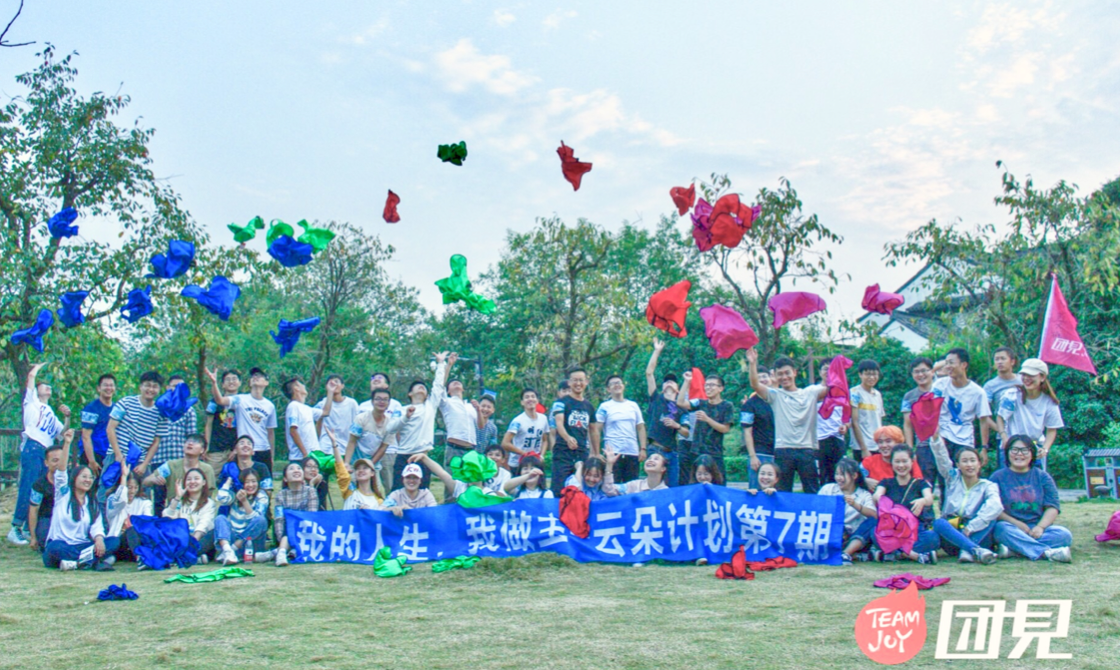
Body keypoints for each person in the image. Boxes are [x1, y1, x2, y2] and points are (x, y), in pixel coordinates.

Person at [747, 349, 827, 494]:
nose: (784, 377)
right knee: (782, 492)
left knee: (812, 491)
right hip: (783, 449)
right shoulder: (775, 395)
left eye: (787, 373)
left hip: (807, 448)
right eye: (780, 374)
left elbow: (833, 388)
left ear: (794, 372)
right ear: (775, 376)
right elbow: (755, 385)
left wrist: (833, 369)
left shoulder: (810, 392)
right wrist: (752, 363)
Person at [11, 362, 71, 546]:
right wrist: (38, 367)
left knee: (38, 488)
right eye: (44, 386)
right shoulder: (32, 403)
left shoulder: (50, 412)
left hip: (45, 452)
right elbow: (30, 377)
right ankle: (16, 527)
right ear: (37, 391)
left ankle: (28, 528)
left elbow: (62, 433)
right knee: (28, 485)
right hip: (33, 447)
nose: (48, 387)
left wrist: (67, 417)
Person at [989, 435, 1072, 562]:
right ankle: (1047, 553)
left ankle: (1015, 550)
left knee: (1064, 535)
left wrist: (1040, 527)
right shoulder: (997, 477)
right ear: (1007, 453)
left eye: (1024, 450)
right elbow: (994, 509)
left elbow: (1052, 507)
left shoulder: (1042, 476)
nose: (1019, 454)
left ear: (1032, 453)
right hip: (1011, 527)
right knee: (1001, 529)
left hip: (1037, 529)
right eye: (1014, 450)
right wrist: (1018, 524)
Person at [43, 440, 121, 571]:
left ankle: (76, 563)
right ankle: (91, 561)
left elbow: (97, 527)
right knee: (54, 548)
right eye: (84, 477)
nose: (88, 480)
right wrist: (67, 443)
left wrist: (99, 540)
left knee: (113, 541)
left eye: (90, 477)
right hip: (63, 546)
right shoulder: (63, 494)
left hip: (83, 545)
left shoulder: (92, 502)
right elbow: (61, 473)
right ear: (74, 478)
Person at [929, 435, 1002, 564]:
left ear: (979, 464)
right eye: (965, 461)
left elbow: (995, 506)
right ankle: (974, 550)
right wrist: (936, 440)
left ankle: (968, 550)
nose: (969, 465)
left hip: (975, 532)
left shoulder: (988, 486)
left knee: (992, 518)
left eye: (973, 460)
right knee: (939, 523)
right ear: (958, 465)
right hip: (953, 531)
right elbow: (942, 460)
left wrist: (971, 527)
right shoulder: (953, 478)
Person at [385, 352, 449, 490]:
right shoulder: (402, 410)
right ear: (410, 393)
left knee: (422, 493)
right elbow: (390, 428)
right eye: (417, 385)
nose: (421, 387)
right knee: (398, 492)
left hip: (422, 456)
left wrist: (441, 364)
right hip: (403, 456)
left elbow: (438, 385)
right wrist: (406, 417)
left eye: (424, 387)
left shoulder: (430, 406)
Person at [872, 446, 938, 564]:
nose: (901, 465)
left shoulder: (920, 483)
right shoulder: (886, 482)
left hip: (915, 530)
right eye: (897, 462)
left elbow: (929, 498)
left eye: (904, 461)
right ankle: (913, 555)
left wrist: (922, 501)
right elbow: (877, 495)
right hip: (893, 530)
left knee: (931, 538)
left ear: (912, 461)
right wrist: (883, 502)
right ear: (892, 463)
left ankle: (894, 554)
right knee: (874, 533)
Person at [996, 358, 1063, 471]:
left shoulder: (1049, 401)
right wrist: (1004, 437)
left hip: (1034, 447)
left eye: (1031, 375)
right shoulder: (1012, 395)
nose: (1026, 379)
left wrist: (1045, 449)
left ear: (1042, 377)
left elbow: (1052, 429)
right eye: (1024, 375)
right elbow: (1000, 417)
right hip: (1011, 447)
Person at [207, 366, 278, 470]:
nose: (255, 377)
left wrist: (272, 455)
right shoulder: (240, 399)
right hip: (245, 449)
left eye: (259, 375)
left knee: (265, 479)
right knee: (245, 478)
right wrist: (214, 383)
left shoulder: (270, 405)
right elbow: (220, 401)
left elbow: (270, 432)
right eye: (253, 376)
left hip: (264, 449)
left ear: (266, 382)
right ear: (249, 382)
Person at [932, 348, 992, 466]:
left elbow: (983, 420)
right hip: (943, 437)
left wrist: (984, 448)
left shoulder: (978, 392)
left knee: (965, 473)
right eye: (946, 363)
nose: (948, 366)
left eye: (951, 363)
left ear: (964, 365)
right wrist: (936, 435)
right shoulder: (939, 385)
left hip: (965, 440)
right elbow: (932, 410)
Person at [106, 370, 168, 479]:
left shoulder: (161, 412)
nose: (150, 389)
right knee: (107, 486)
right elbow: (110, 428)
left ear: (159, 389)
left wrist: (144, 464)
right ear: (140, 387)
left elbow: (156, 442)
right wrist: (117, 454)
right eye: (147, 385)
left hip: (140, 461)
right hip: (117, 456)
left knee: (143, 488)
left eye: (155, 387)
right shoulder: (125, 402)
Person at [674, 371, 733, 483]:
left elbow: (725, 428)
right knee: (696, 483)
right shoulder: (700, 403)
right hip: (697, 452)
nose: (708, 388)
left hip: (715, 452)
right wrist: (686, 382)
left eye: (712, 385)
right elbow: (680, 402)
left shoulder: (727, 406)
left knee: (718, 483)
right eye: (706, 385)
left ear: (720, 388)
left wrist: (707, 419)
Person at [550, 367, 599, 497]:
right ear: (569, 382)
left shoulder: (589, 406)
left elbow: (593, 430)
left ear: (586, 382)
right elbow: (559, 423)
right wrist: (567, 438)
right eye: (575, 380)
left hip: (582, 452)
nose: (578, 383)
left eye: (581, 380)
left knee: (581, 490)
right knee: (559, 490)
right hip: (563, 452)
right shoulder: (560, 403)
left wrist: (596, 453)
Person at [818, 458, 877, 563]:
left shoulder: (864, 494)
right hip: (831, 531)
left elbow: (874, 515)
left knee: (873, 522)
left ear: (854, 476)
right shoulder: (828, 489)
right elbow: (815, 508)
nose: (838, 478)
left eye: (842, 474)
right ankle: (849, 554)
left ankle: (846, 553)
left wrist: (855, 505)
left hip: (854, 535)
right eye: (837, 474)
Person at [645, 340, 687, 487]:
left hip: (671, 452)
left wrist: (676, 425)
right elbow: (649, 373)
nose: (669, 382)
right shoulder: (656, 399)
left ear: (678, 388)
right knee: (652, 486)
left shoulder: (682, 407)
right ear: (662, 388)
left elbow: (686, 432)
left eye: (673, 382)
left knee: (673, 488)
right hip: (654, 449)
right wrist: (657, 351)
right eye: (666, 381)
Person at [357, 372, 404, 494]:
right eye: (373, 378)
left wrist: (400, 449)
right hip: (366, 452)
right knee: (368, 486)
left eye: (379, 378)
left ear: (387, 385)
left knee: (390, 485)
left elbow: (397, 429)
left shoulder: (395, 404)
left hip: (388, 451)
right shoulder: (362, 406)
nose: (375, 379)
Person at [214, 468, 272, 565]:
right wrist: (229, 479)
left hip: (251, 542)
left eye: (253, 481)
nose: (251, 485)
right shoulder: (235, 493)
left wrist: (244, 501)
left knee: (261, 520)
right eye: (247, 482)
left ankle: (232, 550)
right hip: (233, 537)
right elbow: (221, 498)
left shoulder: (262, 496)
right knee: (220, 518)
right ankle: (228, 551)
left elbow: (256, 520)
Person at [596, 375, 647, 484]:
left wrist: (643, 448)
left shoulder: (633, 405)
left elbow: (640, 427)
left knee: (632, 486)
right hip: (613, 453)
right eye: (613, 384)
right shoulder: (604, 407)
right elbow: (596, 429)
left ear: (623, 386)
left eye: (619, 382)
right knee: (612, 485)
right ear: (608, 389)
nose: (617, 385)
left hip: (632, 452)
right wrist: (596, 452)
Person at [901, 357, 939, 496]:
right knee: (925, 484)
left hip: (944, 443)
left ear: (932, 372)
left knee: (948, 483)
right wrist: (910, 449)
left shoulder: (942, 390)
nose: (921, 375)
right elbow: (907, 424)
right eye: (916, 372)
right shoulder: (909, 397)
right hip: (923, 446)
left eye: (924, 371)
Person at [142, 433, 217, 504]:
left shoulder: (207, 469)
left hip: (198, 507)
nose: (190, 443)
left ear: (202, 450)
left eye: (196, 442)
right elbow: (145, 481)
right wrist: (153, 479)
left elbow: (209, 493)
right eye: (188, 441)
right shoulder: (171, 465)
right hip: (174, 507)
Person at [162, 467, 217, 561]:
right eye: (189, 479)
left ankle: (185, 555)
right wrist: (177, 497)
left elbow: (203, 525)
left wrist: (191, 544)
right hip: (181, 540)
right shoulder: (179, 502)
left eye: (196, 478)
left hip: (199, 540)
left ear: (203, 482)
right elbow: (166, 517)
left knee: (214, 533)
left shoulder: (209, 503)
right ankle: (193, 557)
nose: (192, 482)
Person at [153, 374, 199, 482]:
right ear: (168, 388)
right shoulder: (158, 407)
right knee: (159, 489)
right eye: (174, 386)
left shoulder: (188, 410)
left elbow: (192, 437)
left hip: (180, 459)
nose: (178, 389)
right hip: (158, 458)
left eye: (180, 386)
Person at [273, 461, 320, 567]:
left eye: (299, 468)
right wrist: (281, 538)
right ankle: (283, 552)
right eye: (291, 469)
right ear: (285, 478)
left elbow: (311, 516)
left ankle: (279, 551)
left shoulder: (310, 491)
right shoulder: (281, 495)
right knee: (289, 521)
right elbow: (278, 519)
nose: (296, 471)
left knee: (295, 521)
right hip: (285, 532)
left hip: (305, 530)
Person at [346, 388, 397, 484]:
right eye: (378, 399)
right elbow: (352, 441)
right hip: (355, 462)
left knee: (376, 490)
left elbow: (383, 448)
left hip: (374, 464)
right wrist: (347, 463)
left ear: (389, 403)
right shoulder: (361, 418)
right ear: (372, 401)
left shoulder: (391, 424)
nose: (381, 402)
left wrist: (370, 465)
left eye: (385, 399)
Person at [983, 347, 1023, 468]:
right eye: (996, 359)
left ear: (1012, 361)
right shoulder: (990, 386)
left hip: (1024, 432)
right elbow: (983, 414)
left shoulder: (1023, 381)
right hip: (1003, 438)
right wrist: (1000, 430)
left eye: (1003, 358)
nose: (999, 362)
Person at [327, 429, 384, 510]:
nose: (361, 470)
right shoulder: (350, 491)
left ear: (372, 473)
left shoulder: (378, 501)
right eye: (357, 468)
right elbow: (341, 469)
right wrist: (334, 443)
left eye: (365, 468)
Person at [104, 469, 153, 564]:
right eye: (129, 487)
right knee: (131, 530)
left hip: (137, 543)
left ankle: (144, 556)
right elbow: (121, 501)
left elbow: (147, 522)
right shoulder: (112, 500)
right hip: (119, 543)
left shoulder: (144, 502)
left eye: (135, 487)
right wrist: (124, 477)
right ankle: (141, 559)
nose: (132, 491)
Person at [282, 377, 336, 461]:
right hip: (300, 457)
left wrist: (330, 392)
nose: (304, 386)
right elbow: (293, 430)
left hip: (313, 455)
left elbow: (326, 412)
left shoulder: (308, 409)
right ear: (296, 388)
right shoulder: (293, 406)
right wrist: (305, 454)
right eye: (301, 384)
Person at [741, 363, 777, 490]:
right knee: (756, 491)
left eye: (764, 376)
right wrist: (752, 456)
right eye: (758, 377)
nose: (762, 380)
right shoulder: (749, 404)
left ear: (770, 378)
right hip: (759, 453)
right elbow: (747, 431)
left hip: (779, 452)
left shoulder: (778, 399)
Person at [439, 353, 479, 464]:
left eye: (458, 382)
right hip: (454, 448)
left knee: (472, 476)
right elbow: (439, 385)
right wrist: (449, 365)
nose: (456, 382)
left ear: (463, 389)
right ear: (448, 391)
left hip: (471, 450)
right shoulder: (446, 402)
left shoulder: (470, 406)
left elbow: (480, 425)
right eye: (452, 383)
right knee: (452, 475)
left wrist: (479, 410)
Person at [816, 360, 849, 490]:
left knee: (840, 475)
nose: (828, 372)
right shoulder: (813, 391)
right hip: (819, 440)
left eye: (832, 369)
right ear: (820, 372)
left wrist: (845, 426)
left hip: (837, 439)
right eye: (825, 369)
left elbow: (847, 417)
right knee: (822, 477)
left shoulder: (842, 391)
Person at [28, 444, 67, 551]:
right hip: (47, 518)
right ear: (46, 463)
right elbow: (33, 510)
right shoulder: (39, 485)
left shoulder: (72, 480)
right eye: (55, 460)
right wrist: (33, 537)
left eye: (61, 460)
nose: (58, 463)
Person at [862, 426, 925, 490]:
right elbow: (857, 477)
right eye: (880, 442)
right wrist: (865, 480)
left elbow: (919, 483)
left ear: (898, 443)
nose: (884, 445)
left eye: (888, 441)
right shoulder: (869, 461)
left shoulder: (907, 461)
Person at [78, 373, 116, 479]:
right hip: (93, 454)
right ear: (99, 388)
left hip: (109, 455)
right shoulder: (91, 409)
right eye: (105, 385)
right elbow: (86, 436)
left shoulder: (116, 408)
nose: (108, 388)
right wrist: (92, 461)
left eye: (111, 385)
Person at [503, 388, 551, 471]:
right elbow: (505, 443)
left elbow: (545, 440)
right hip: (518, 463)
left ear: (537, 400)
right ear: (522, 402)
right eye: (527, 397)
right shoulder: (517, 421)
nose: (530, 399)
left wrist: (542, 456)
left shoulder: (543, 419)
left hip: (535, 462)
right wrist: (525, 454)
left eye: (533, 396)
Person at [204, 369, 240, 471]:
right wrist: (207, 445)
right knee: (211, 475)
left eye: (234, 379)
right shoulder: (214, 402)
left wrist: (237, 448)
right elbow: (208, 424)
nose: (231, 381)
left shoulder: (244, 402)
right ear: (223, 385)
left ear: (240, 383)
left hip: (237, 449)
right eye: (228, 379)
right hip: (216, 448)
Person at [314, 374, 360, 456]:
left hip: (345, 448)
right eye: (330, 383)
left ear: (342, 386)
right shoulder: (322, 404)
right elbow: (317, 424)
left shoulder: (352, 403)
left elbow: (357, 424)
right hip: (325, 448)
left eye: (336, 381)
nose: (333, 384)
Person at [849, 359, 884, 461]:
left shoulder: (877, 395)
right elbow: (854, 422)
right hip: (861, 447)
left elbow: (879, 421)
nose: (871, 377)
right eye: (868, 374)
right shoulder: (854, 393)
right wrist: (864, 448)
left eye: (874, 374)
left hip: (877, 446)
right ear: (860, 374)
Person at [603, 448, 670, 495]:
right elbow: (610, 490)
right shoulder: (634, 485)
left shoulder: (667, 492)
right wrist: (609, 464)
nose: (651, 460)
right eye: (649, 458)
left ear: (663, 468)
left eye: (656, 459)